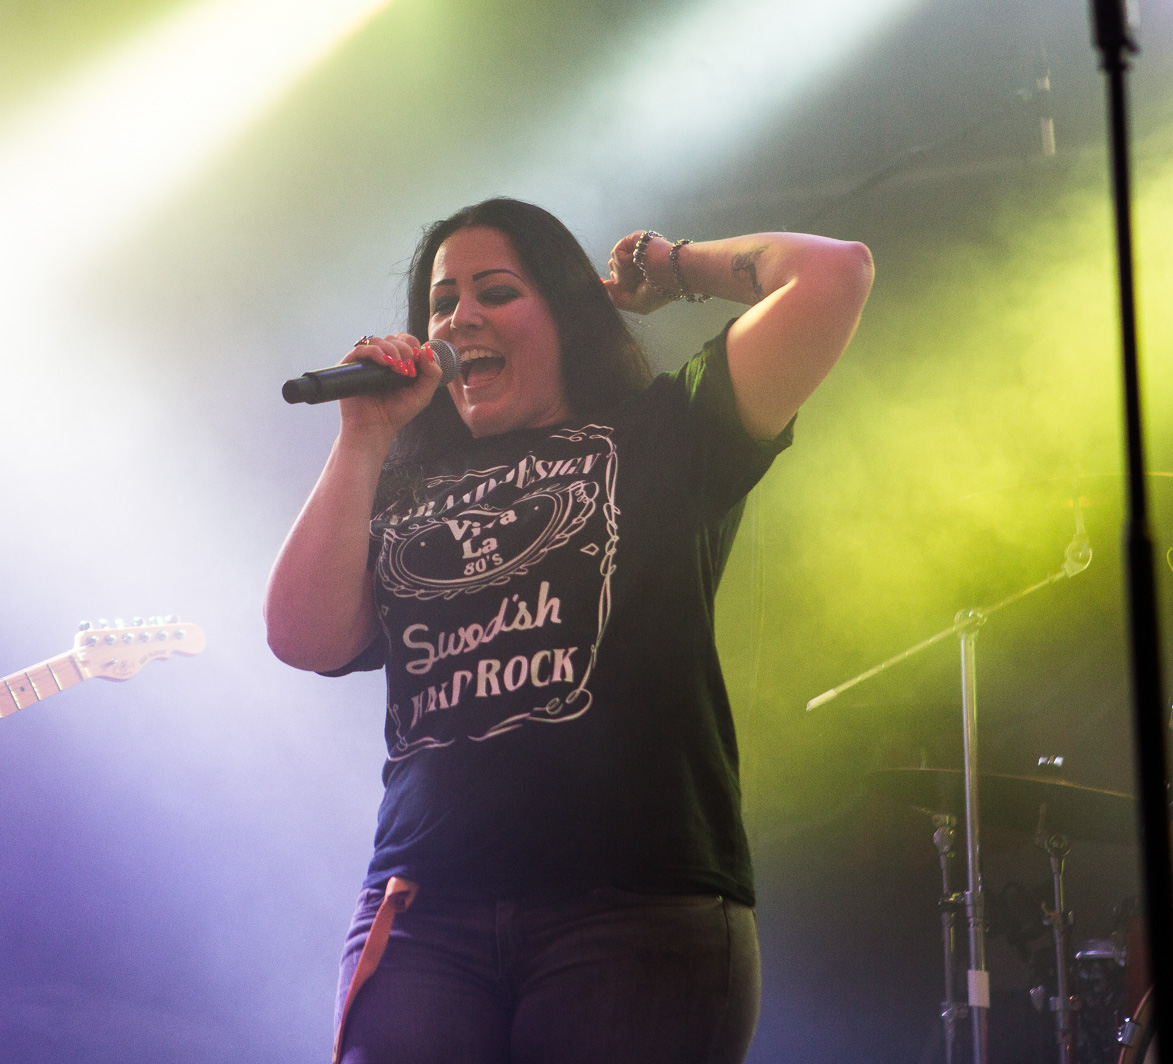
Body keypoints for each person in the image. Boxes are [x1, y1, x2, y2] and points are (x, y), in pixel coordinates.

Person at [265, 197, 873, 1064]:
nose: (460, 317)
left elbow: (835, 273)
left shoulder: (665, 434)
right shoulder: (407, 492)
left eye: (496, 292)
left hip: (632, 905)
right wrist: (363, 437)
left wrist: (668, 268)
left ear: (567, 315)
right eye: (441, 302)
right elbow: (302, 637)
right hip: (423, 909)